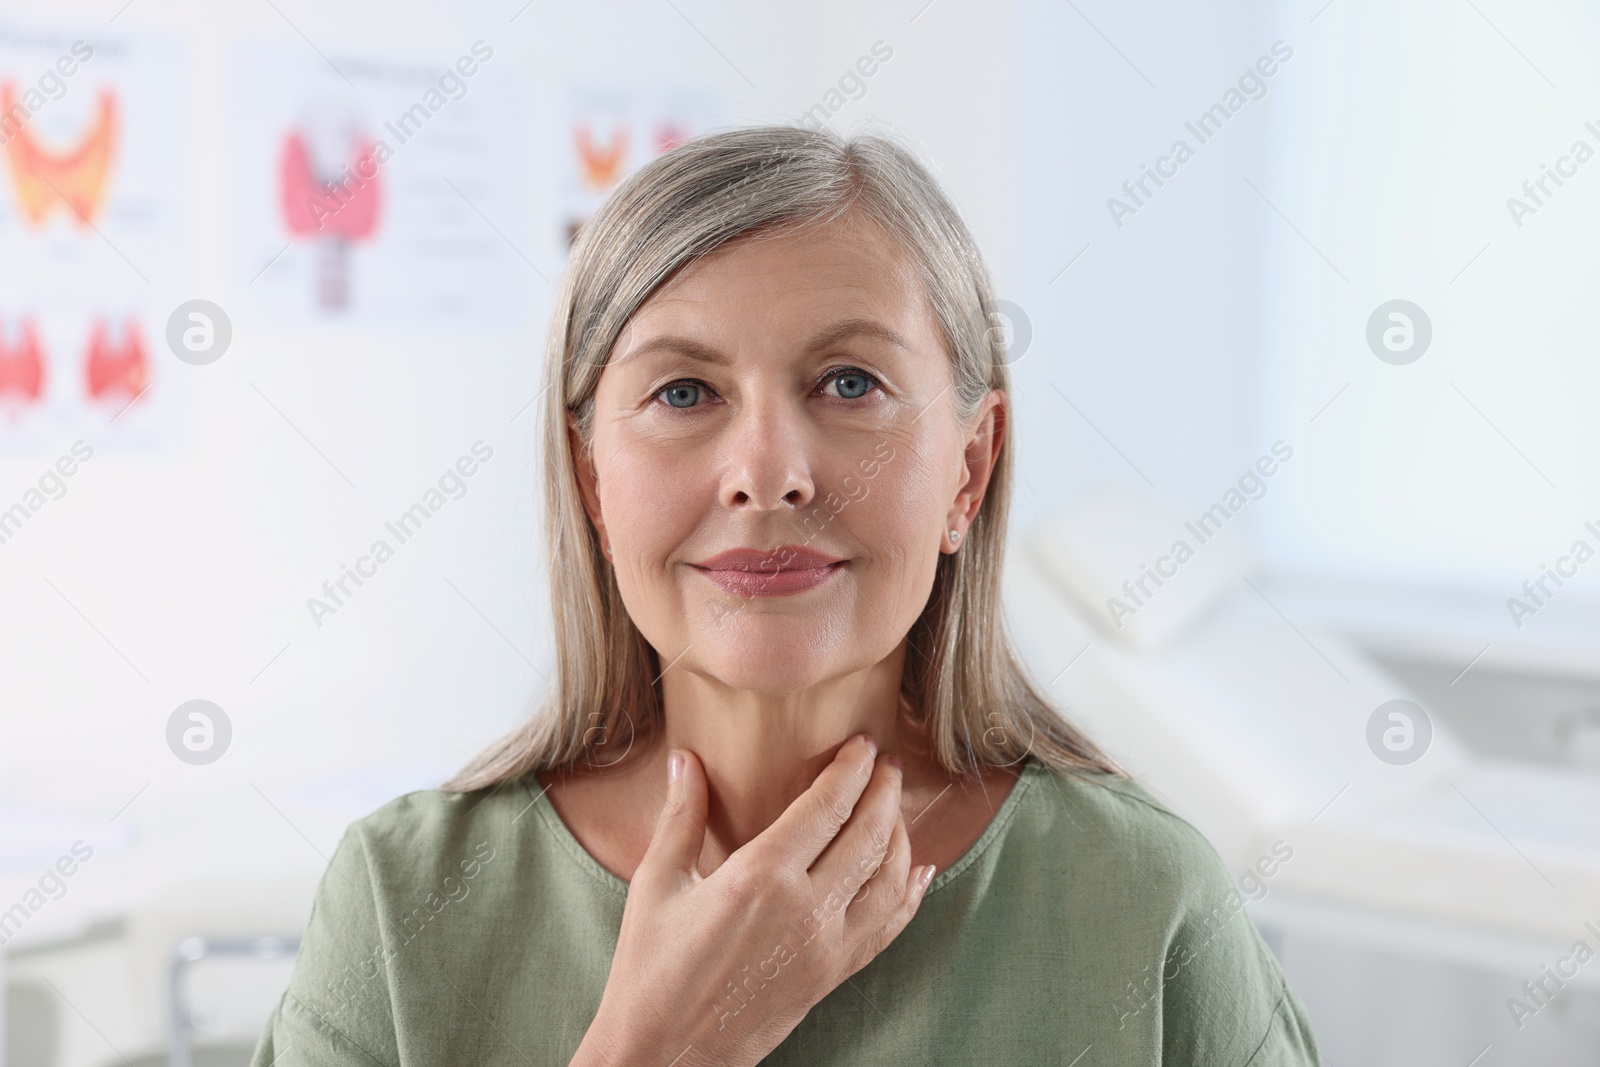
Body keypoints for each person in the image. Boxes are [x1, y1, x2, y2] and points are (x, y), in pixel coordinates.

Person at [250, 125, 1320, 1066]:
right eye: (683, 392)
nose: (768, 472)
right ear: (590, 482)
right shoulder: (402, 905)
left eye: (849, 383)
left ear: (968, 469)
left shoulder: (1142, 898)